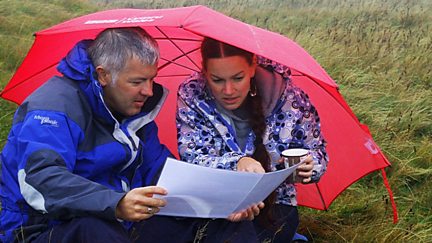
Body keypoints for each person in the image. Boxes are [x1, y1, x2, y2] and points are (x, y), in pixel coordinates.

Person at [0, 28, 173, 242]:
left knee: (199, 223)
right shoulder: (52, 108)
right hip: (39, 229)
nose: (148, 91)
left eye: (151, 79)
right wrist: (116, 203)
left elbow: (160, 171)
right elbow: (40, 179)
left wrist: (216, 199)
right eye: (137, 82)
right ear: (103, 75)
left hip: (115, 223)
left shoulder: (135, 114)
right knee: (95, 230)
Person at [175, 37, 329, 242]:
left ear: (253, 67)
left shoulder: (290, 98)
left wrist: (311, 166)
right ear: (204, 73)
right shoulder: (192, 95)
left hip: (276, 203)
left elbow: (316, 150)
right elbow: (193, 157)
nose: (228, 90)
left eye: (238, 78)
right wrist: (237, 162)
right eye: (217, 80)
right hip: (217, 201)